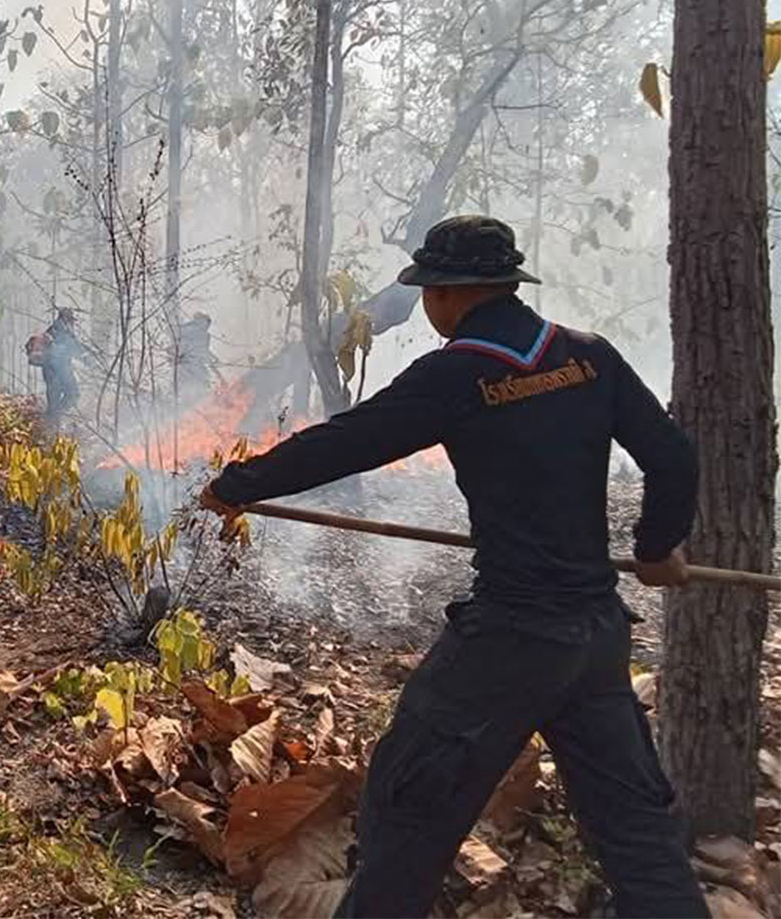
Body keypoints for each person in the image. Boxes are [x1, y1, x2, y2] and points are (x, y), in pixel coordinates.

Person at [199, 215, 707, 918]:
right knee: (639, 836)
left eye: (427, 294)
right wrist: (656, 548)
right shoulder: (589, 357)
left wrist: (238, 484)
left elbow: (348, 442)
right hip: (594, 638)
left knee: (407, 811)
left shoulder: (457, 374)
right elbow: (674, 457)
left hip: (508, 641)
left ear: (445, 293)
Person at [30, 308, 85, 424]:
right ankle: (50, 423)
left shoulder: (56, 331)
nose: (72, 323)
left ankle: (51, 422)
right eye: (71, 320)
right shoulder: (60, 332)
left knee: (57, 401)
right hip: (57, 371)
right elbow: (74, 350)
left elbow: (76, 349)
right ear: (65, 319)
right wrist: (88, 360)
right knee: (71, 395)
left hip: (56, 371)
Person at [174, 312, 220, 398]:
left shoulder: (185, 330)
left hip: (184, 368)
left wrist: (213, 357)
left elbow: (202, 349)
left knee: (187, 392)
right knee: (198, 392)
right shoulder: (201, 334)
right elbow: (201, 351)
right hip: (195, 368)